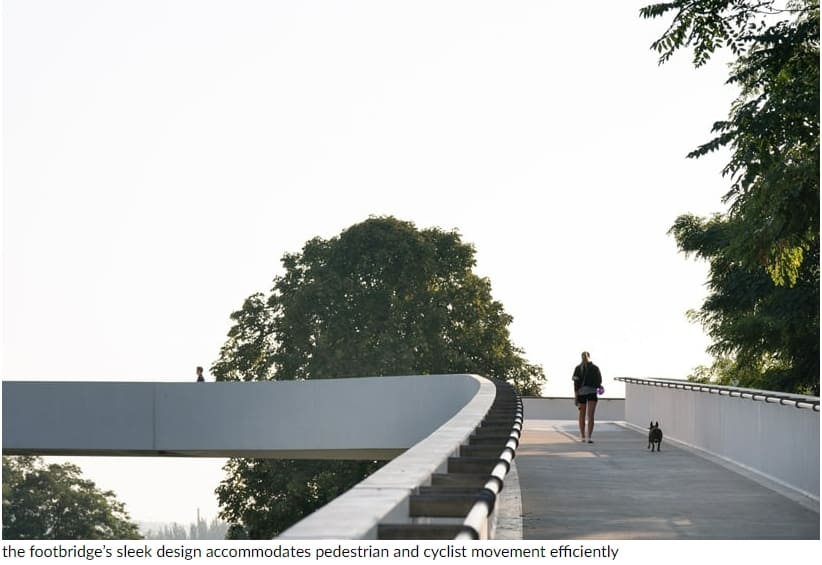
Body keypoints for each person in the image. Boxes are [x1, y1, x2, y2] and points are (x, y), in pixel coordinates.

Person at [572, 351, 602, 443]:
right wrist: (598, 386)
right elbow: (599, 381)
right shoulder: (595, 368)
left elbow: (576, 384)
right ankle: (589, 437)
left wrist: (576, 396)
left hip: (581, 393)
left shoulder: (578, 368)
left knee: (582, 415)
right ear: (590, 357)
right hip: (592, 392)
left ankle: (583, 436)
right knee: (591, 415)